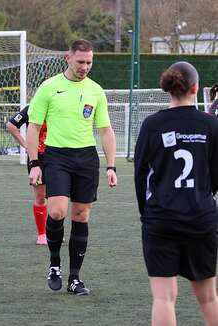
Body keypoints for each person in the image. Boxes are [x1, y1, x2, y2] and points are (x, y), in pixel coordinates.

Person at [26, 39, 117, 295]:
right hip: (56, 157)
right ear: (68, 58)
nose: (85, 67)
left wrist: (111, 166)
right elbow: (32, 127)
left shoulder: (96, 91)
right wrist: (34, 162)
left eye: (89, 62)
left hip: (86, 159)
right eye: (80, 62)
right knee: (56, 212)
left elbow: (106, 130)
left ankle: (75, 278)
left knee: (81, 215)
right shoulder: (49, 87)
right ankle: (54, 264)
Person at [134, 61, 218, 326]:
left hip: (161, 219)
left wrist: (146, 214)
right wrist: (203, 197)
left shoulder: (152, 124)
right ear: (196, 88)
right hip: (201, 217)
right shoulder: (211, 124)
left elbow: (140, 174)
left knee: (163, 298)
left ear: (168, 89)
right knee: (208, 299)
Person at [6, 106, 48, 245]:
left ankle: (54, 230)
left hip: (58, 156)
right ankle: (42, 234)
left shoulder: (60, 107)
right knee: (41, 196)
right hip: (37, 158)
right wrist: (26, 145)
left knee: (57, 196)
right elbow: (11, 125)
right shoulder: (33, 108)